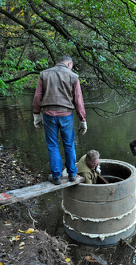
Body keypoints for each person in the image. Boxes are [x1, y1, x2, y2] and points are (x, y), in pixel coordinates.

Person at [32, 55, 87, 185]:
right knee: (69, 144)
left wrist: (36, 114)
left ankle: (56, 177)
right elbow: (78, 101)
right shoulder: (73, 77)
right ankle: (72, 174)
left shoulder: (44, 74)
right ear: (69, 64)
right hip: (66, 115)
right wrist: (82, 119)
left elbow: (37, 97)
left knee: (52, 145)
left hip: (48, 114)